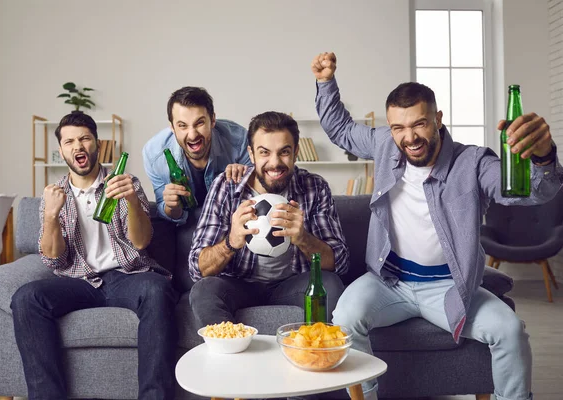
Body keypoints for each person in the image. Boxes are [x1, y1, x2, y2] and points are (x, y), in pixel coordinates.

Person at [311, 52, 562, 400]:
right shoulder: (386, 144)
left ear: (437, 119)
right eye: (399, 127)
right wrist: (325, 82)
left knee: (509, 331)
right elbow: (341, 129)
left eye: (419, 124)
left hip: (449, 289)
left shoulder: (473, 162)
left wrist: (544, 157)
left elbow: (531, 193)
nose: (409, 137)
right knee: (345, 317)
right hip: (389, 283)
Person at [10, 112, 177, 400]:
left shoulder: (122, 183)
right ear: (62, 150)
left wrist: (133, 202)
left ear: (97, 144)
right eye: (70, 141)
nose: (78, 146)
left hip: (126, 275)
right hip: (79, 280)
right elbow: (53, 260)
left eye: (85, 138)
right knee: (26, 298)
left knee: (157, 289)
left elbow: (141, 242)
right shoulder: (54, 194)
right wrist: (51, 215)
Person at [188, 111, 349, 327]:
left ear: (296, 153)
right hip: (239, 284)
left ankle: (313, 353)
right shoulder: (226, 186)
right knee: (204, 290)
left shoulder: (314, 187)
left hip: (292, 284)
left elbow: (340, 263)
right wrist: (230, 242)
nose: (274, 163)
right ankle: (231, 354)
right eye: (264, 152)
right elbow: (198, 270)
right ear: (251, 154)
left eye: (284, 152)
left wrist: (303, 238)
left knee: (330, 284)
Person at [143, 86, 251, 225]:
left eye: (199, 123)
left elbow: (256, 194)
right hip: (187, 220)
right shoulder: (154, 154)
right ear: (172, 127)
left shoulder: (240, 140)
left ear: (212, 120)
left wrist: (245, 176)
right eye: (182, 125)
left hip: (230, 216)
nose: (193, 135)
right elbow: (168, 213)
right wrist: (171, 207)